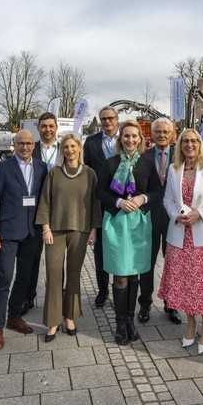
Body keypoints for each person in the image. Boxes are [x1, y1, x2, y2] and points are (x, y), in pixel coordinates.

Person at [158, 129, 203, 354]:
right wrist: (176, 215)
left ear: (200, 143)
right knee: (186, 282)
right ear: (179, 145)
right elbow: (167, 199)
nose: (189, 144)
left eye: (194, 141)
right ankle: (190, 323)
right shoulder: (173, 168)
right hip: (180, 233)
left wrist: (200, 213)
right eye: (185, 141)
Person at [98, 120, 161, 345]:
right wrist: (117, 201)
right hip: (116, 224)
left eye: (135, 136)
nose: (131, 140)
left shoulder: (146, 163)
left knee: (134, 273)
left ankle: (130, 321)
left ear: (141, 139)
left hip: (138, 224)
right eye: (126, 136)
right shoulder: (110, 163)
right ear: (120, 139)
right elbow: (100, 193)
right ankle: (120, 322)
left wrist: (142, 198)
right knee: (121, 274)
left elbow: (156, 191)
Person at [36, 133, 101, 342]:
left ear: (79, 149)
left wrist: (94, 229)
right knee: (54, 275)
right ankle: (53, 320)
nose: (69, 150)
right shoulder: (54, 173)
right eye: (65, 147)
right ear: (61, 150)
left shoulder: (90, 174)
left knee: (74, 274)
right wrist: (45, 227)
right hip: (54, 230)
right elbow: (45, 201)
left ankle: (70, 316)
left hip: (80, 230)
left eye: (73, 146)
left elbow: (95, 204)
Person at [0, 130, 47, 350]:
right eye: (21, 143)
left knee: (24, 277)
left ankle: (13, 316)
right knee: (5, 277)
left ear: (34, 145)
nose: (25, 147)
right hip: (9, 232)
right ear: (14, 145)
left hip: (32, 233)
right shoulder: (3, 168)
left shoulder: (42, 167)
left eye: (29, 143)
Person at [138, 117, 182, 325]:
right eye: (158, 132)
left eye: (166, 132)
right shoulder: (143, 157)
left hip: (174, 219)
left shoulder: (181, 157)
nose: (162, 135)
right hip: (150, 218)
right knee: (147, 263)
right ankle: (145, 303)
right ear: (152, 134)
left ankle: (171, 304)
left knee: (172, 262)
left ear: (172, 134)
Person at [21, 112, 63, 317]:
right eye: (44, 126)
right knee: (31, 257)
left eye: (51, 126)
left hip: (61, 211)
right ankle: (28, 297)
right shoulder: (30, 148)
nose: (48, 129)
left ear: (56, 128)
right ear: (38, 128)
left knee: (58, 261)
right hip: (34, 211)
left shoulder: (66, 149)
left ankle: (57, 299)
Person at [83, 106, 120, 308]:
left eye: (110, 118)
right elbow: (87, 171)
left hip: (123, 202)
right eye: (103, 119)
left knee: (120, 248)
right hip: (100, 201)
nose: (107, 122)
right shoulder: (91, 142)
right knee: (100, 250)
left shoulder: (126, 139)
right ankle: (103, 290)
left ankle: (119, 288)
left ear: (117, 119)